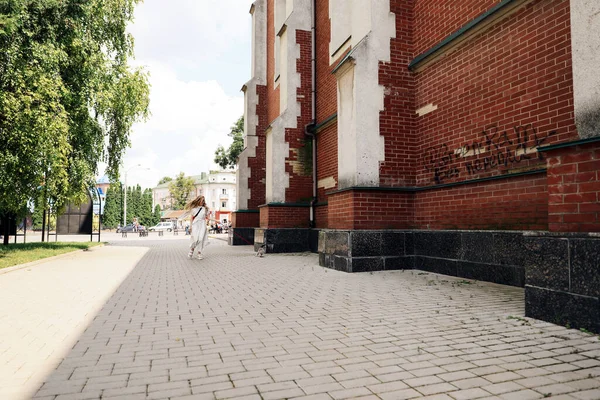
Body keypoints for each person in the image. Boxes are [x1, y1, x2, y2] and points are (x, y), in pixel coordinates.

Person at [185, 195, 209, 259]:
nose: (203, 201)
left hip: (202, 224)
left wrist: (216, 220)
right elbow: (191, 218)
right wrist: (190, 226)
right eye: (202, 200)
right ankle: (192, 250)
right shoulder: (194, 209)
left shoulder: (205, 209)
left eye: (203, 200)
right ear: (198, 200)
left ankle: (199, 253)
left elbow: (207, 217)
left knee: (201, 238)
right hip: (195, 224)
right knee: (195, 238)